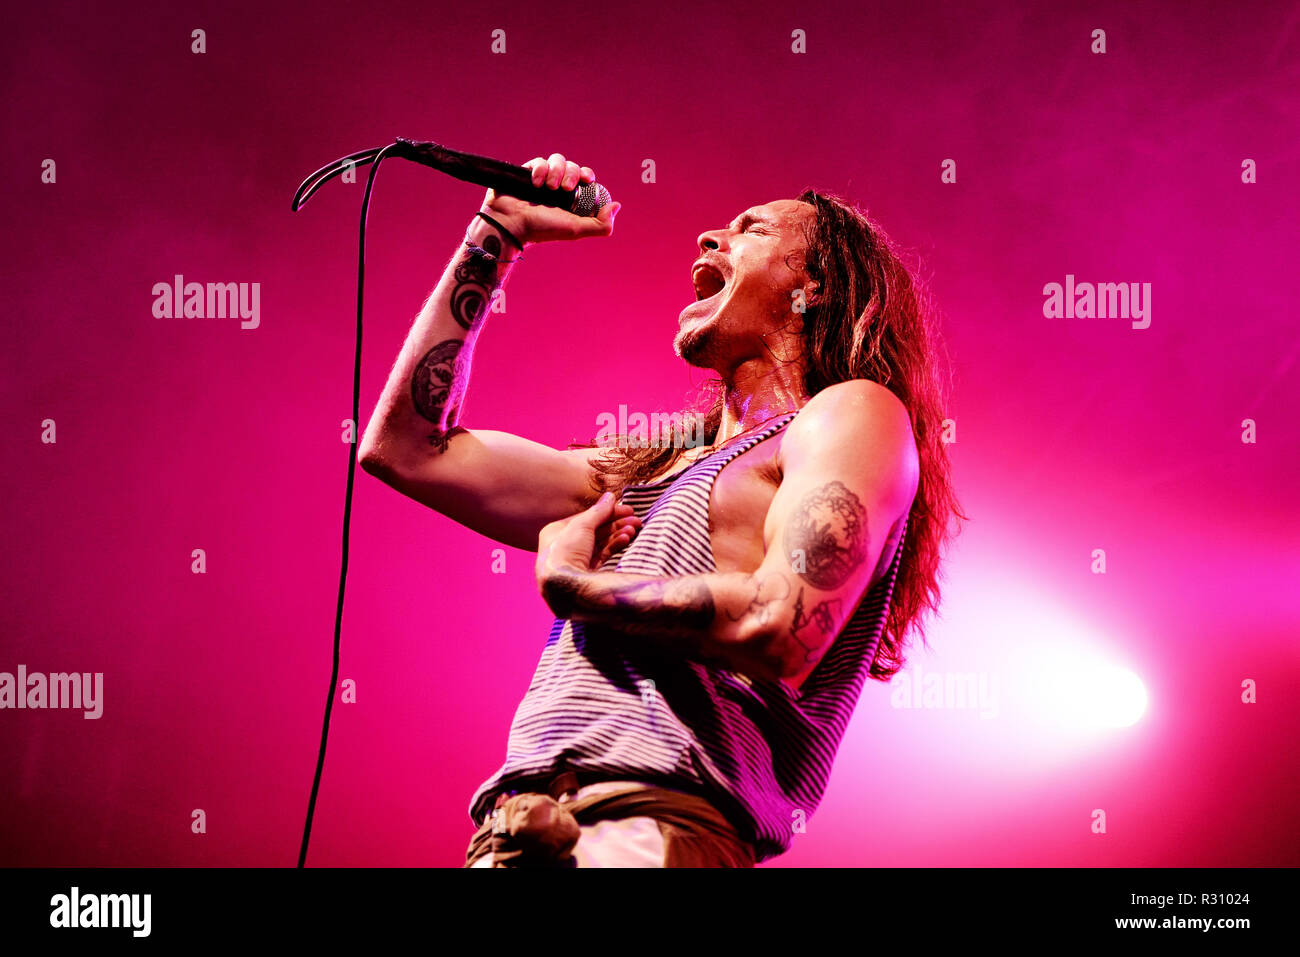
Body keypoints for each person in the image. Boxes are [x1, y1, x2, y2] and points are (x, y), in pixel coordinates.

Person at [358, 152, 962, 867]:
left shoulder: (849, 415)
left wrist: (573, 585)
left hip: (653, 828)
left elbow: (783, 627)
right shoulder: (658, 467)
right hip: (513, 833)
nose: (710, 237)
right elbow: (406, 447)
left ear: (817, 284)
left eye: (751, 230)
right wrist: (497, 232)